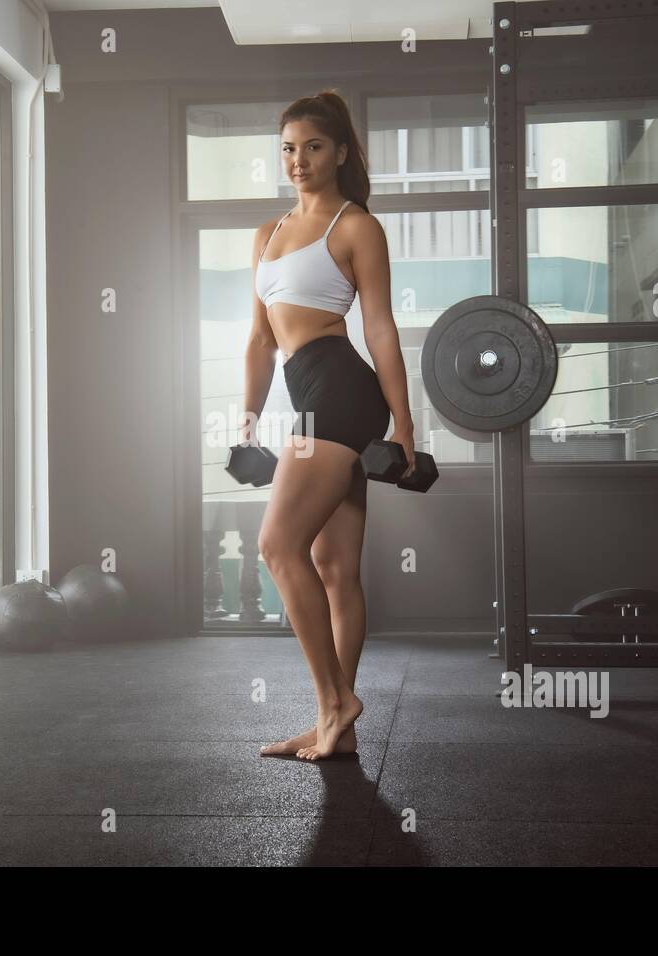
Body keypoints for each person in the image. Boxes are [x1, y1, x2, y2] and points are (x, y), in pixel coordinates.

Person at [244, 89, 415, 761]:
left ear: (340, 151)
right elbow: (260, 340)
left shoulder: (355, 226)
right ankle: (334, 730)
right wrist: (248, 420)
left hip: (343, 389)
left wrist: (405, 425)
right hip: (304, 391)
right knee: (333, 565)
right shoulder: (269, 233)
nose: (298, 160)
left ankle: (335, 701)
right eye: (288, 148)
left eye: (312, 146)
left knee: (277, 546)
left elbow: (380, 328)